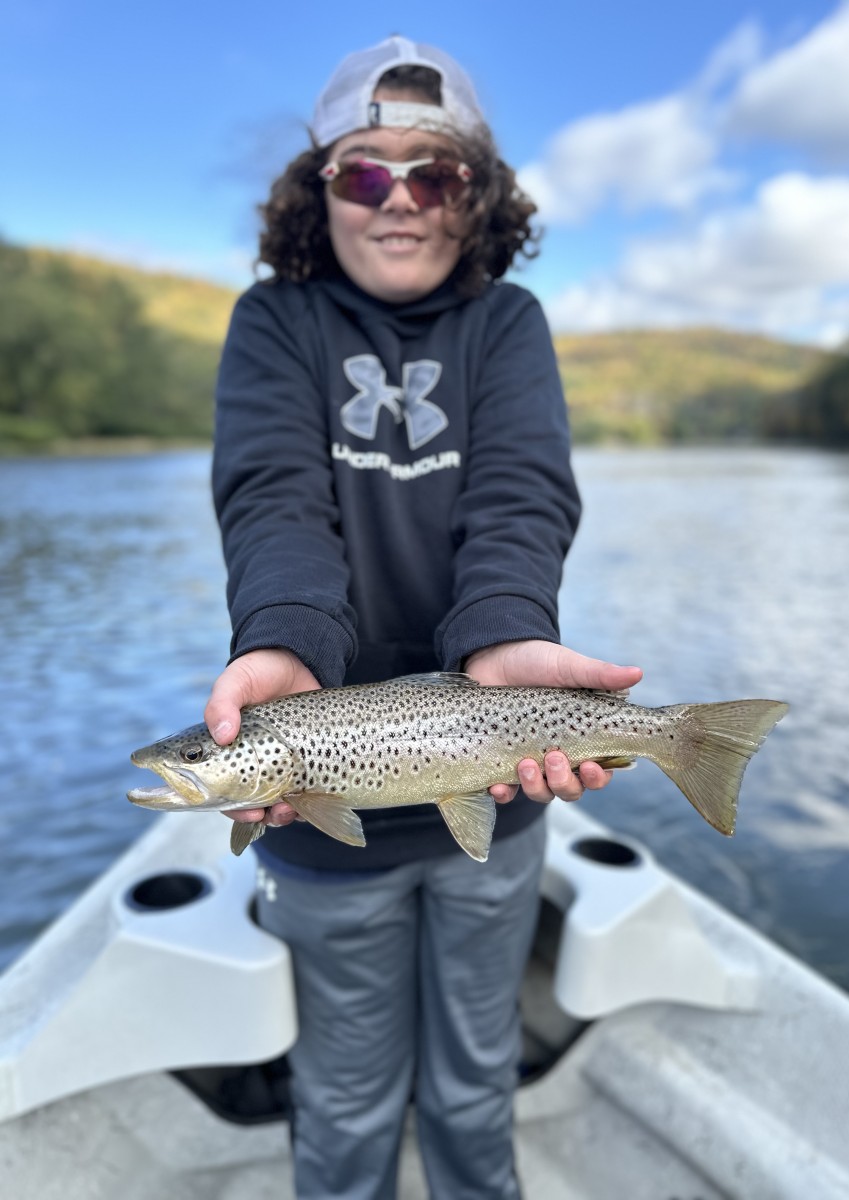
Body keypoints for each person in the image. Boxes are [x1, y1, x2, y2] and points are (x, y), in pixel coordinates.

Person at [203, 35, 642, 1200]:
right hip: (317, 817)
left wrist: (504, 635)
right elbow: (276, 504)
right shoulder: (274, 325)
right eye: (363, 172)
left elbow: (519, 500)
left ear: (478, 193)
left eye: (434, 173)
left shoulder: (509, 326)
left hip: (494, 798)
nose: (398, 200)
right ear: (320, 191)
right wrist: (285, 643)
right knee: (343, 1099)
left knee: (472, 1080)